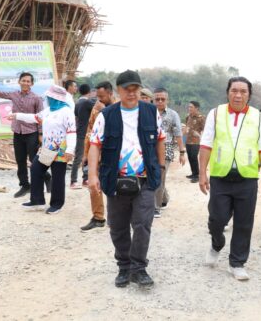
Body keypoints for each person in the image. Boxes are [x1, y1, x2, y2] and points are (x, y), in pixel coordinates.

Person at [87, 70, 165, 288]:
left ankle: (139, 269)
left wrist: (160, 167)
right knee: (118, 226)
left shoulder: (151, 112)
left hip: (145, 179)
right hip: (115, 179)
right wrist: (92, 175)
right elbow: (95, 145)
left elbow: (160, 139)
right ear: (118, 91)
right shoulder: (106, 115)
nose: (131, 93)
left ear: (140, 90)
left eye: (135, 89)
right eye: (126, 89)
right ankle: (124, 267)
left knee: (142, 224)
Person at [199, 76, 261, 281]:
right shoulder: (216, 113)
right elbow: (206, 144)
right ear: (227, 92)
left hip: (247, 177)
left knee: (244, 222)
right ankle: (217, 243)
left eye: (243, 91)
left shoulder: (258, 117)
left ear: (249, 95)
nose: (238, 95)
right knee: (217, 219)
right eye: (234, 90)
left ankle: (237, 262)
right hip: (220, 176)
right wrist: (202, 173)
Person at [14, 85, 76, 214]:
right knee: (36, 169)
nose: (47, 99)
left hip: (61, 149)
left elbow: (71, 131)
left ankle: (57, 205)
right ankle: (37, 201)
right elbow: (35, 118)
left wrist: (70, 149)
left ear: (55, 98)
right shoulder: (47, 111)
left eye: (49, 97)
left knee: (58, 176)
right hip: (47, 147)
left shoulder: (66, 112)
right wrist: (17, 115)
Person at [80, 81, 116, 232]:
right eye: (98, 97)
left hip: (114, 154)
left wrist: (106, 110)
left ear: (110, 93)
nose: (99, 100)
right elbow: (90, 131)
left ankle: (115, 219)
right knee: (93, 185)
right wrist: (85, 153)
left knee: (115, 186)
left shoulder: (120, 107)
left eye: (102, 96)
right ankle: (98, 217)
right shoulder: (96, 108)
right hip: (96, 153)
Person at [153, 87, 186, 217]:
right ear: (153, 100)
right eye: (157, 99)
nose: (160, 101)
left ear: (167, 100)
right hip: (150, 148)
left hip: (166, 149)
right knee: (153, 176)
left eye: (163, 99)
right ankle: (164, 198)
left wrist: (182, 152)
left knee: (160, 176)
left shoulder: (173, 115)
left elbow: (178, 134)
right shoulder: (148, 112)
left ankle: (156, 207)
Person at [70, 83, 94, 189]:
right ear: (89, 92)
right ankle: (73, 181)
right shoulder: (88, 102)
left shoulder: (77, 103)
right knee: (79, 157)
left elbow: (76, 117)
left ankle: (85, 179)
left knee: (83, 157)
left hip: (79, 132)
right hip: (85, 133)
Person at [184, 101, 206, 184]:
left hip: (196, 141)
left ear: (196, 108)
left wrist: (200, 136)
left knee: (194, 157)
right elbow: (186, 127)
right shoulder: (188, 117)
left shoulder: (201, 118)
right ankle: (193, 173)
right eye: (189, 107)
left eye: (191, 107)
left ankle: (197, 176)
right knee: (190, 157)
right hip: (188, 140)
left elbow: (205, 129)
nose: (189, 108)